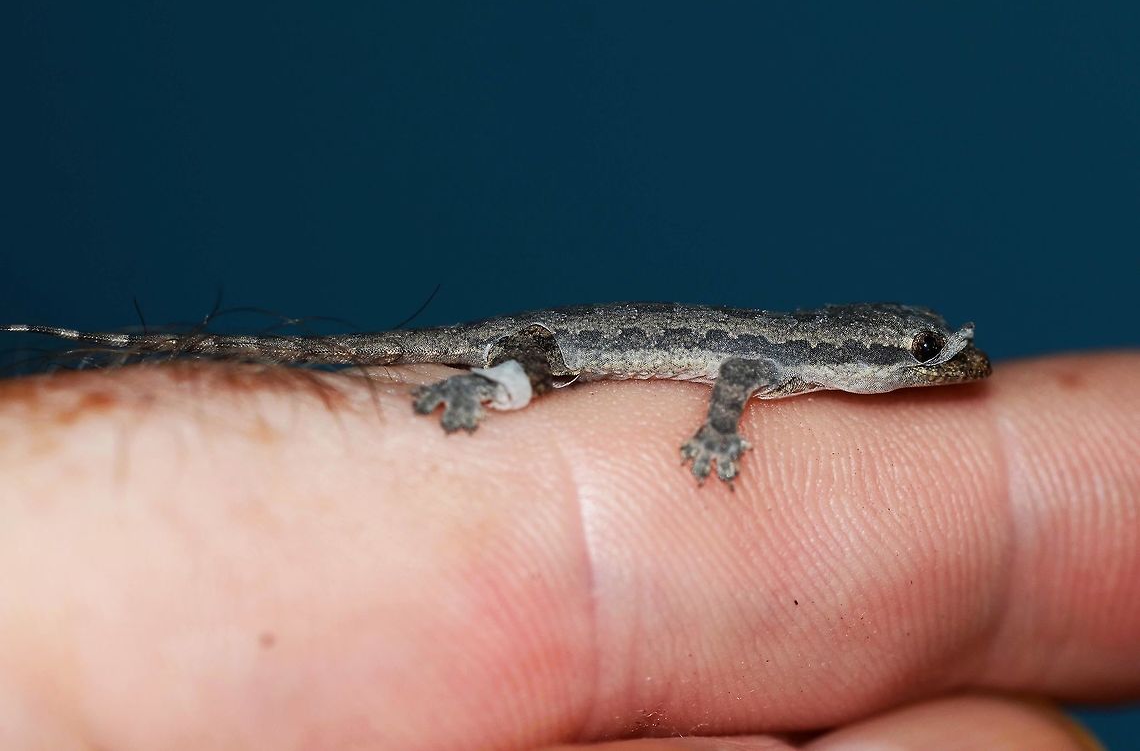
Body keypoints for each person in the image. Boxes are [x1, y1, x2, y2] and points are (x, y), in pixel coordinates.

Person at [0, 353, 1133, 750]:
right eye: (930, 353)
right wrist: (715, 437)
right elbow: (729, 388)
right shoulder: (763, 368)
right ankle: (465, 390)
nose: (955, 360)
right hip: (538, 349)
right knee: (498, 373)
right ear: (868, 358)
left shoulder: (793, 364)